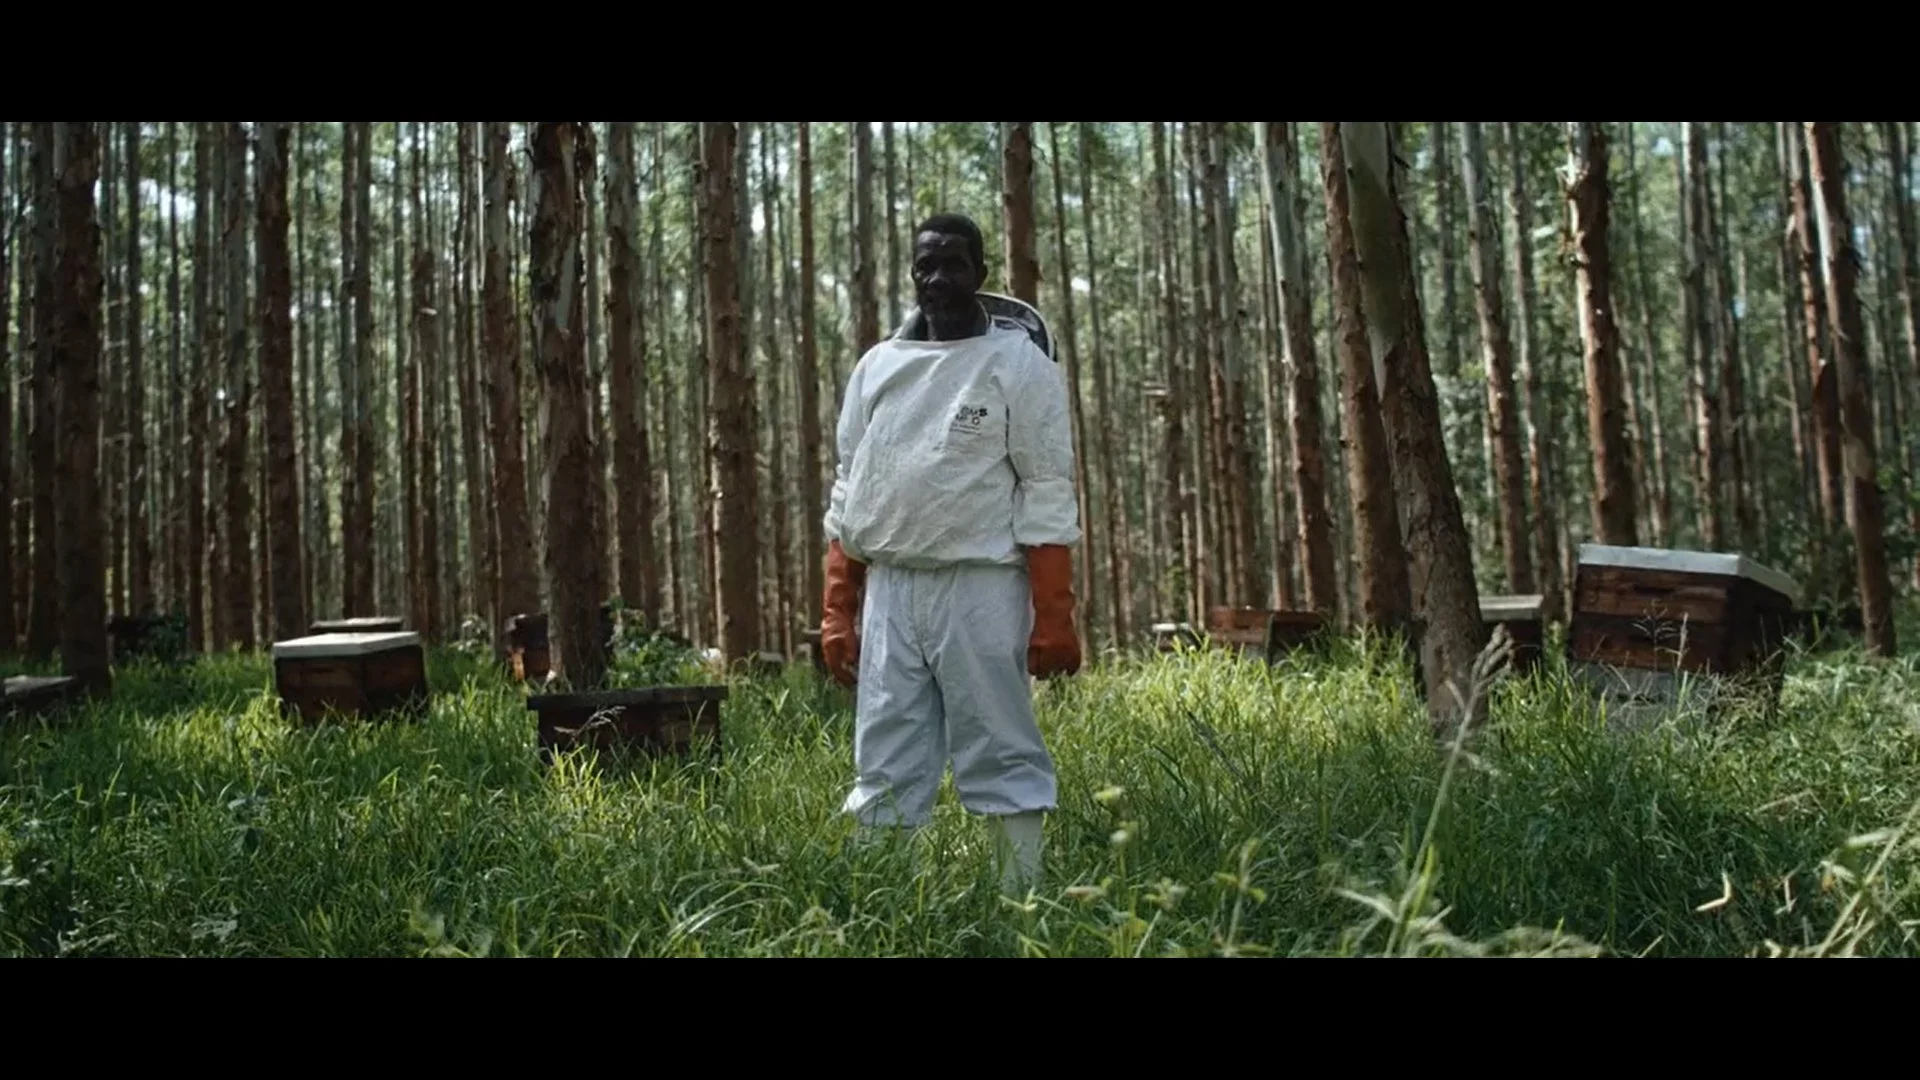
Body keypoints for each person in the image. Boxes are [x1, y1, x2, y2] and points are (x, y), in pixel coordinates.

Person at [819, 211, 1082, 894]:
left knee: (999, 742)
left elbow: (1047, 489)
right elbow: (851, 489)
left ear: (981, 274)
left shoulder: (1018, 364)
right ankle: (886, 906)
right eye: (924, 265)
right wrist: (837, 609)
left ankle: (1017, 901)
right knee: (885, 748)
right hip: (891, 588)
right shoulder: (878, 367)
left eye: (953, 265)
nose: (937, 279)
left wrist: (1055, 612)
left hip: (981, 584)